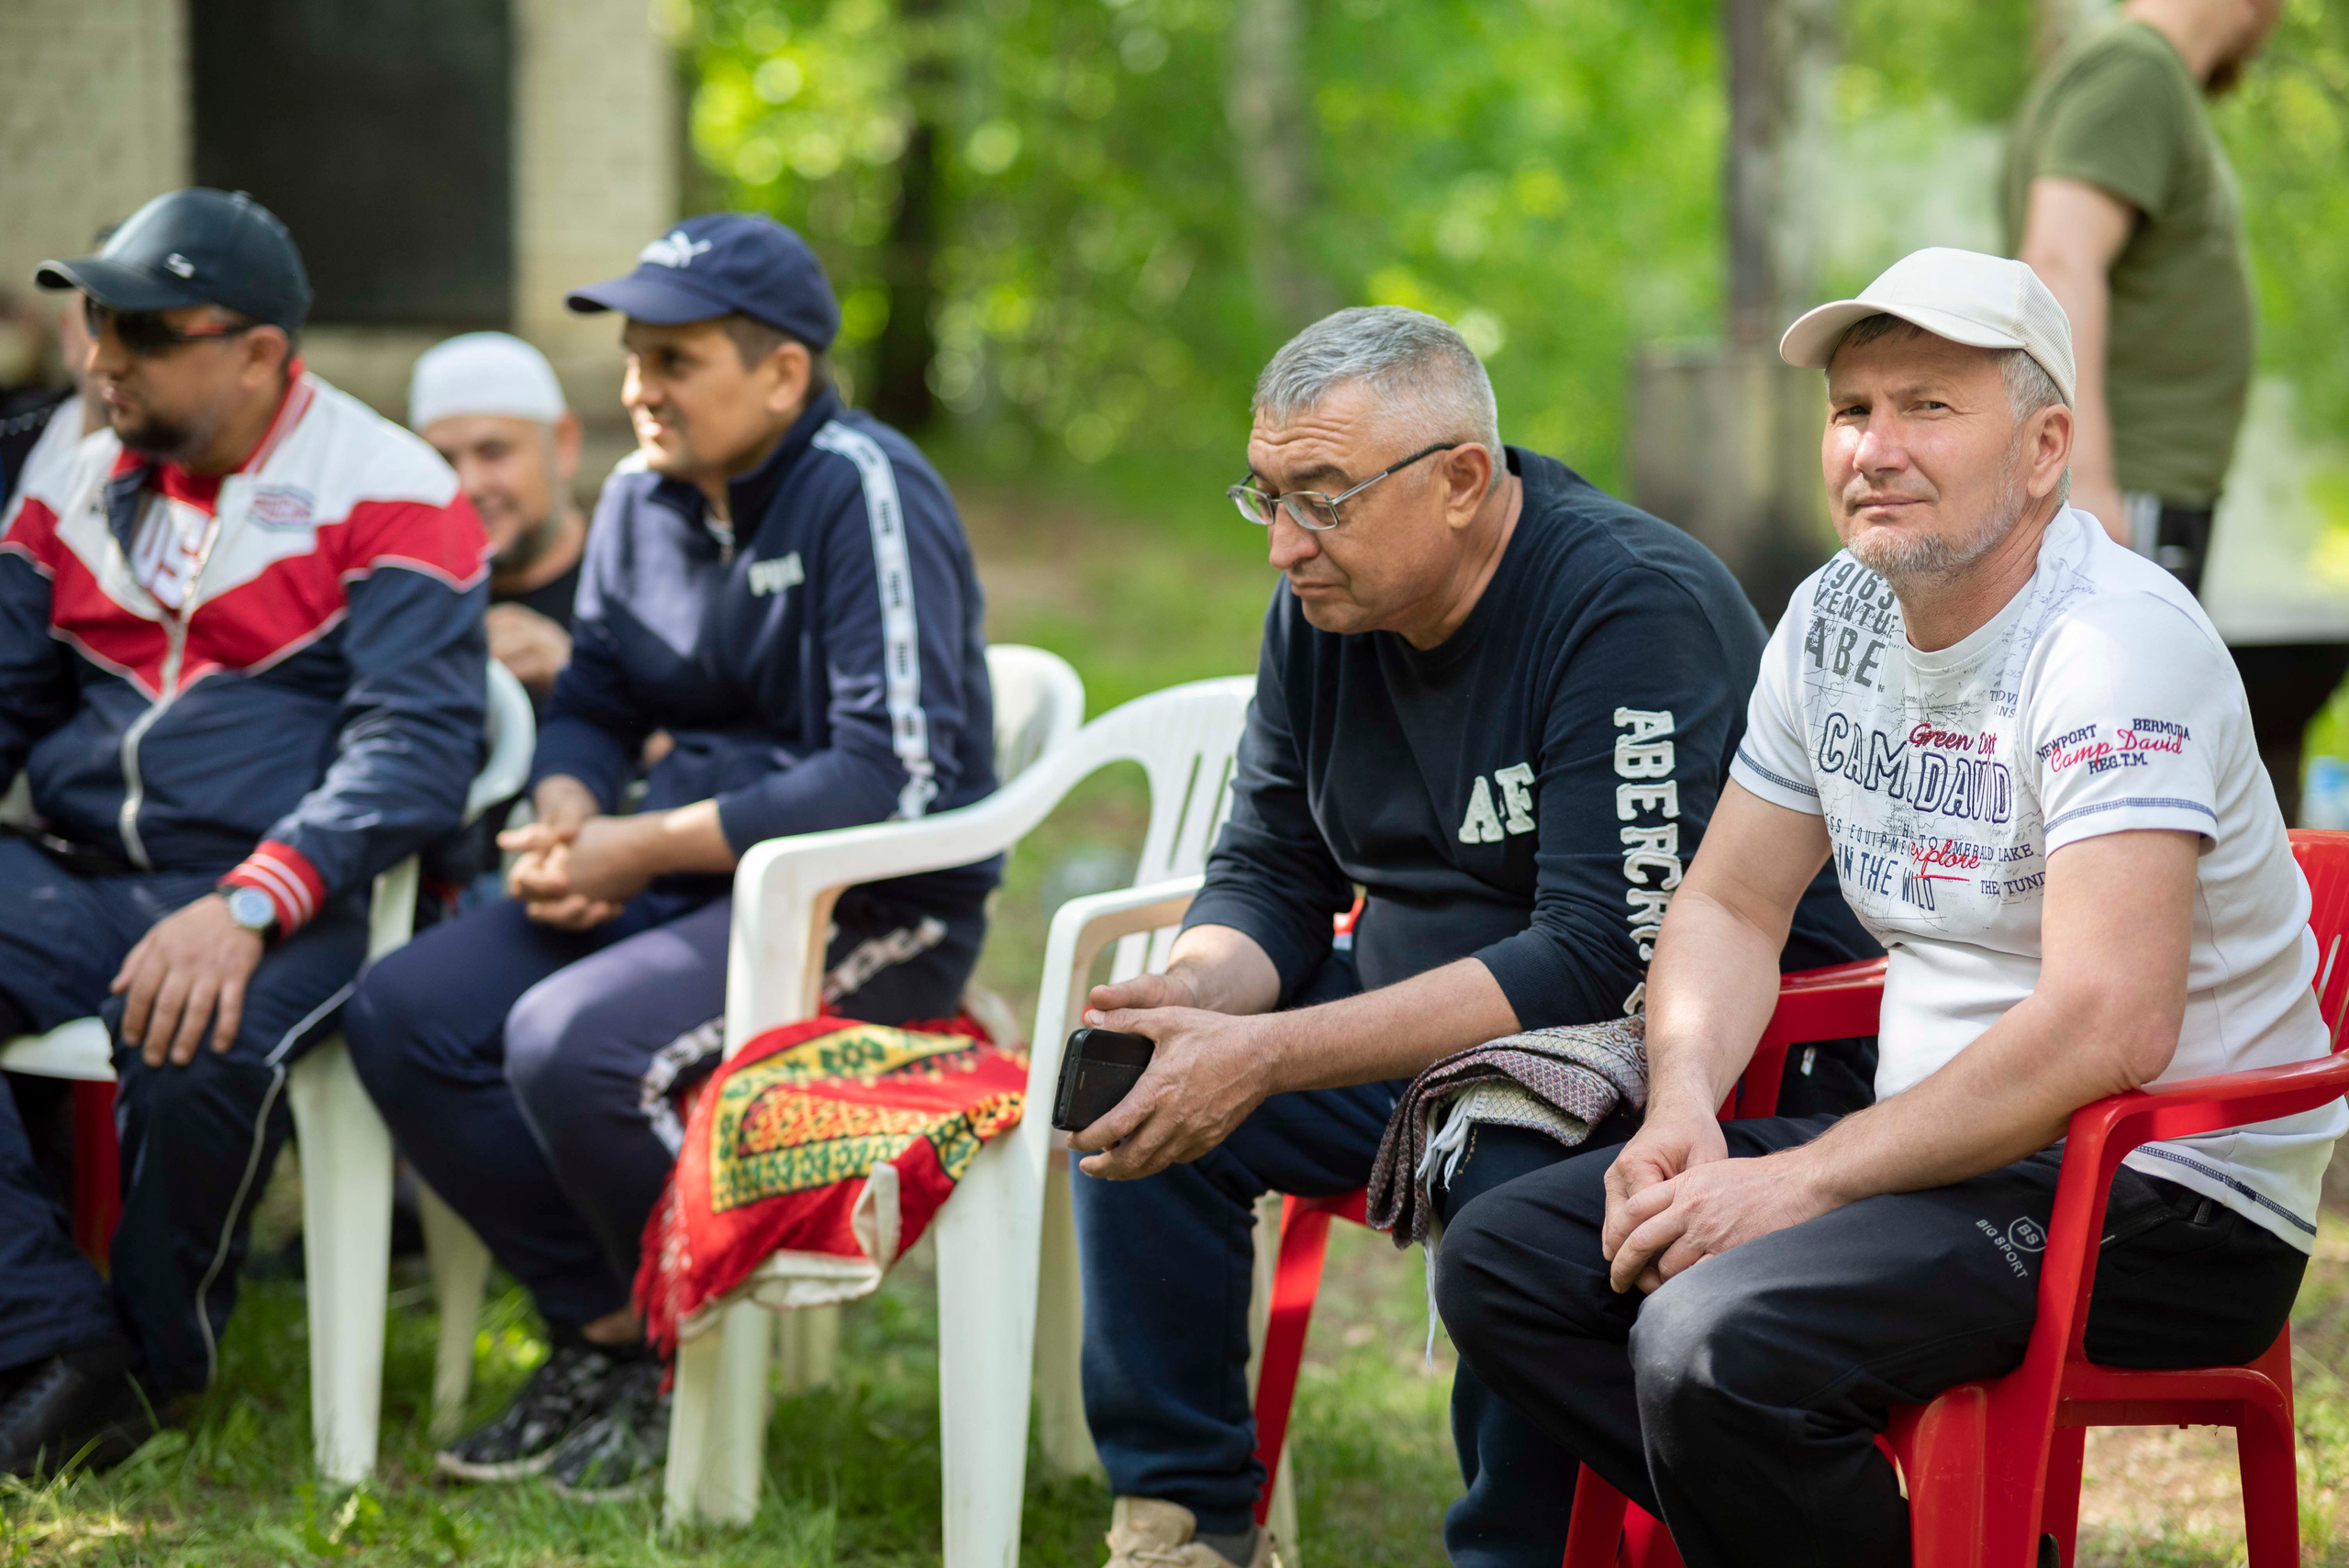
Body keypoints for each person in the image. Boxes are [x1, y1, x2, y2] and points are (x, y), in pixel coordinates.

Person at [1433, 248, 2344, 1568]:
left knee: (1708, 1344)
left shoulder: (2114, 648)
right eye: (1853, 408)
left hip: (2163, 1189)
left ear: (2044, 450)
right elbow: (1733, 906)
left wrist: (1793, 1186)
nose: (1875, 445)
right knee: (1509, 1256)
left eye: (1928, 405)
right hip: (1936, 1148)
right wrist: (1686, 1104)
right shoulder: (1834, 620)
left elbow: (2109, 1026)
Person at [1066, 306, 1878, 1568]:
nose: (1284, 546)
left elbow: (1604, 953)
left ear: (1459, 481)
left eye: (1322, 498)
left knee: (1518, 1188)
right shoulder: (1323, 610)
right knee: (1149, 1106)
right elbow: (1272, 871)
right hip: (1416, 1030)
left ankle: (1517, 1551)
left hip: (1668, 1045)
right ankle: (1185, 1524)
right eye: (1267, 496)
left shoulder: (1625, 604)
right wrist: (1195, 997)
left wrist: (1272, 1055)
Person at [342, 214, 999, 1501]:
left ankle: (678, 1367)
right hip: (686, 876)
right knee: (403, 1010)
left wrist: (638, 844)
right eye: (634, 356)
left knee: (568, 1045)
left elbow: (892, 774)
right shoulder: (641, 500)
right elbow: (589, 692)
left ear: (783, 373)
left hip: (869, 907)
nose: (638, 385)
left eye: (675, 359)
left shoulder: (864, 484)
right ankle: (606, 1330)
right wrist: (573, 806)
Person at [0, 187, 487, 1474]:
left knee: (192, 1044)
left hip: (303, 892)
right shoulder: (65, 459)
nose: (101, 354)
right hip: (80, 872)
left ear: (260, 351)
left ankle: (158, 1368)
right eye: (95, 318)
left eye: (145, 331)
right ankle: (54, 1346)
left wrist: (249, 901)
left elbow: (419, 748)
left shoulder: (392, 484)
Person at [2005, 0, 2340, 819]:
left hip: (2149, 490)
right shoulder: (2136, 72)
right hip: (2130, 491)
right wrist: (2089, 477)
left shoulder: (2136, 76)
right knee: (2125, 759)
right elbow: (2058, 255)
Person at [408, 331, 588, 703]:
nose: (467, 485)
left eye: (493, 452)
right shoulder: (409, 598)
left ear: (564, 444)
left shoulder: (640, 587)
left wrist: (582, 680)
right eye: (443, 460)